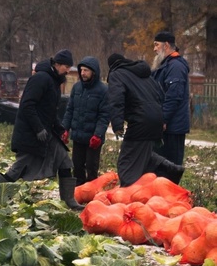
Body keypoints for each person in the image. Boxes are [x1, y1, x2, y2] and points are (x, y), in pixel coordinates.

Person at [0, 49, 83, 210]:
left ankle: (69, 200)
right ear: (57, 64)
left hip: (46, 134)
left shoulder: (54, 82)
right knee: (19, 168)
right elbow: (27, 105)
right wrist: (38, 128)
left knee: (64, 160)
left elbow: (49, 111)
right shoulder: (41, 78)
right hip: (31, 133)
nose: (68, 70)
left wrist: (60, 129)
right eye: (66, 66)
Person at [107, 52, 184, 186]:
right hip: (156, 118)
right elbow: (160, 94)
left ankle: (128, 190)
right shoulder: (144, 74)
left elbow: (116, 100)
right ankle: (169, 168)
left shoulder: (117, 74)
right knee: (143, 152)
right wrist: (160, 118)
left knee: (127, 159)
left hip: (140, 120)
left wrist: (117, 125)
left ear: (112, 66)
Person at [61, 56, 110, 185]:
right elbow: (70, 110)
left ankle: (91, 195)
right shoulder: (77, 88)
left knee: (91, 168)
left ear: (93, 71)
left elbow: (104, 115)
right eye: (81, 70)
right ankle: (78, 192)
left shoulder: (103, 90)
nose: (83, 73)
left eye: (86, 70)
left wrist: (98, 135)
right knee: (77, 166)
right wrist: (64, 128)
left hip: (93, 138)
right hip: (78, 136)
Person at [151, 30, 190, 166]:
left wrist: (163, 119)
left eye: (156, 45)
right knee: (158, 167)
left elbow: (173, 96)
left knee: (170, 168)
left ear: (166, 45)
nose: (154, 49)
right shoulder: (165, 65)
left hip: (173, 128)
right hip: (164, 127)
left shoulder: (176, 66)